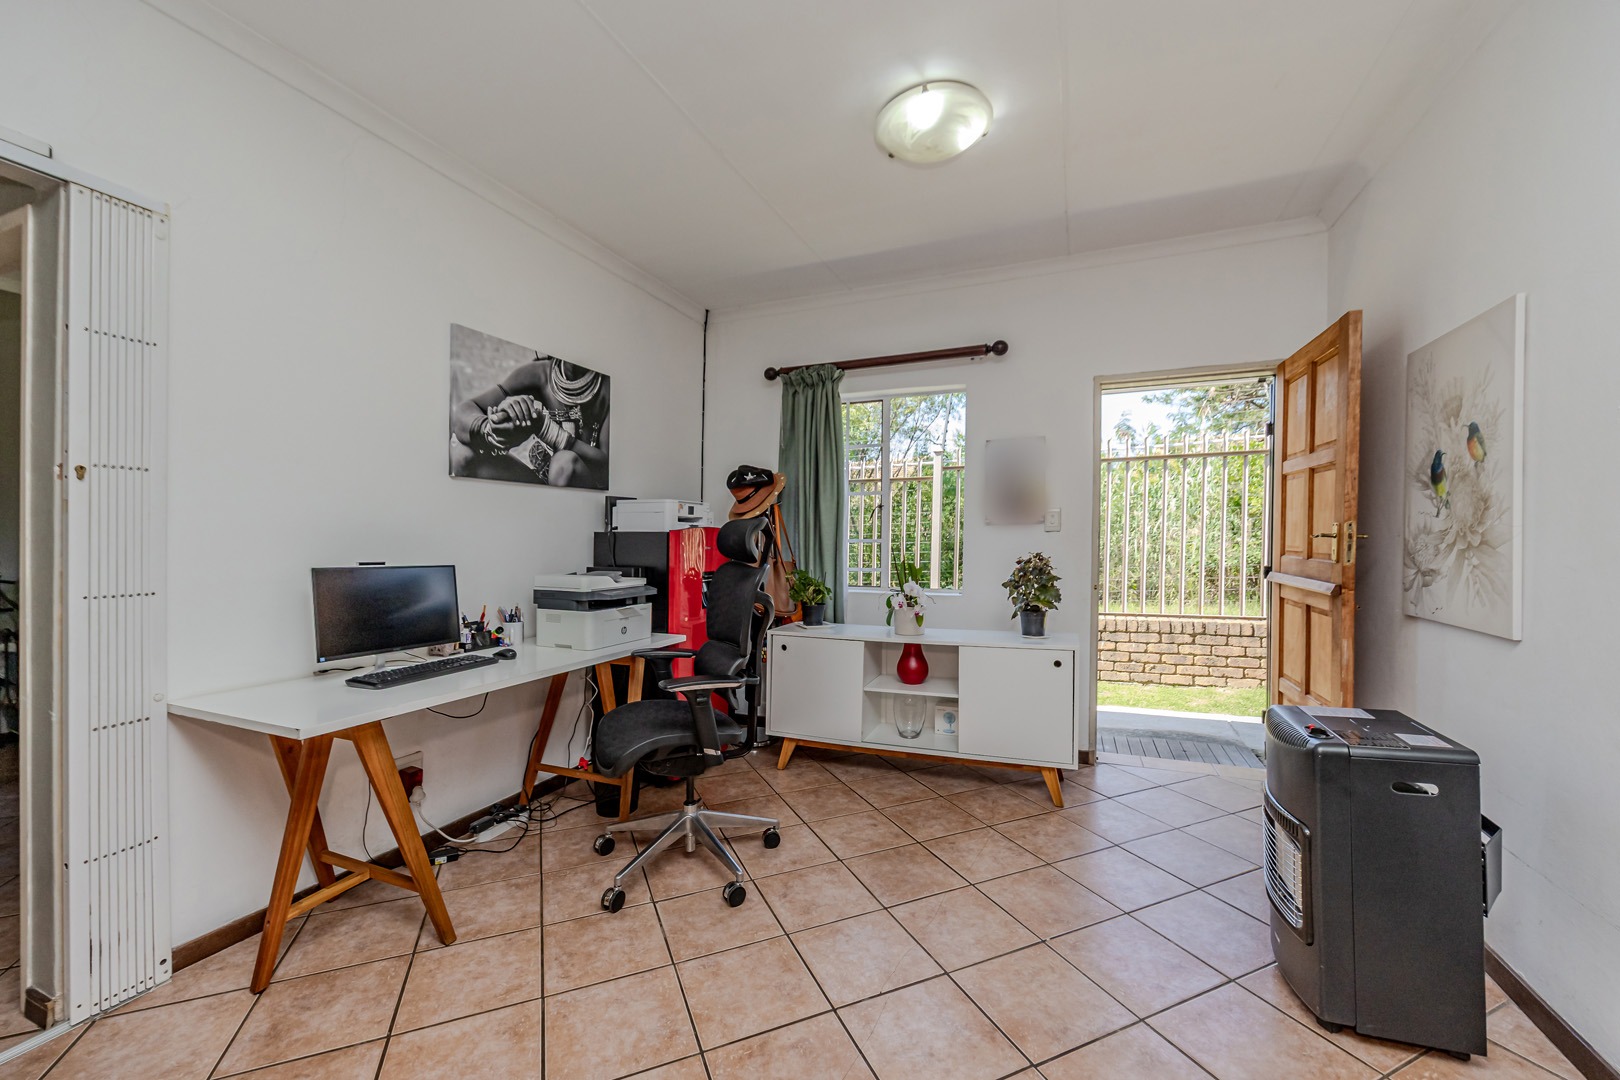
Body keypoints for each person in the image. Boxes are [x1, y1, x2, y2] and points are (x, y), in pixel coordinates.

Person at [450, 353, 609, 488]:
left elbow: (608, 471)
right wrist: (490, 428)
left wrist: (546, 429)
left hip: (585, 483)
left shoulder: (608, 388)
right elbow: (463, 414)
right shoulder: (539, 374)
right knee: (462, 456)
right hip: (544, 479)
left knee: (565, 464)